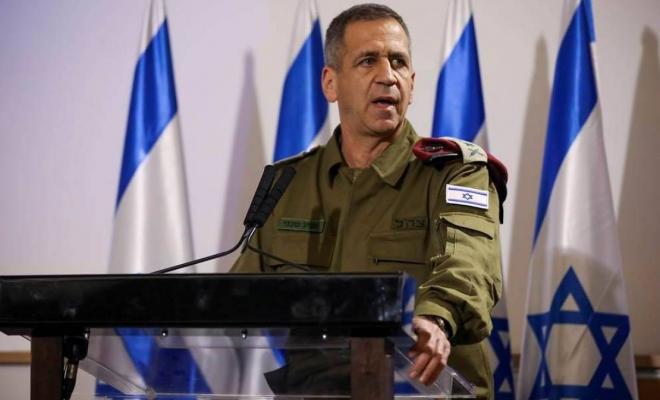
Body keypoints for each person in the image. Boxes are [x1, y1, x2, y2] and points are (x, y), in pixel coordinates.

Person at [232, 3, 503, 399]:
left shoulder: (455, 173)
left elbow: (469, 267)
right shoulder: (288, 183)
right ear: (330, 84)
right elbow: (238, 298)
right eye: (367, 61)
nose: (387, 76)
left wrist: (436, 318)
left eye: (398, 62)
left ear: (412, 82)